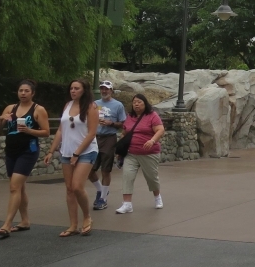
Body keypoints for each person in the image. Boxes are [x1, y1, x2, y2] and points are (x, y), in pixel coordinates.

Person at [0, 80, 50, 238]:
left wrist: (30, 130)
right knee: (20, 187)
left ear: (32, 93)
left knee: (14, 187)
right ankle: (25, 221)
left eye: (26, 91)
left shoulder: (38, 110)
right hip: (11, 151)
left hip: (28, 151)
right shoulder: (10, 108)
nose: (23, 93)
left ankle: (7, 225)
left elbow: (46, 132)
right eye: (20, 91)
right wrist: (0, 119)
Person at [44, 79, 100, 237]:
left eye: (77, 88)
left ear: (84, 90)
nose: (73, 91)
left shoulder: (91, 107)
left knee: (77, 186)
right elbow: (61, 130)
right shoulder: (67, 105)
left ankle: (87, 217)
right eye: (71, 88)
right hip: (66, 152)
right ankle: (73, 225)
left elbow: (91, 133)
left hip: (86, 151)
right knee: (69, 189)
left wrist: (77, 153)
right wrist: (51, 151)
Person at [116, 94, 165, 214]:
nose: (136, 104)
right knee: (127, 176)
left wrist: (152, 140)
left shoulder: (152, 115)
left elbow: (160, 130)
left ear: (145, 103)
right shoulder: (130, 116)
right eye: (134, 102)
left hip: (149, 153)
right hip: (131, 153)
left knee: (151, 177)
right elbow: (125, 133)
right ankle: (127, 204)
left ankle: (157, 197)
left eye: (139, 102)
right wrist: (120, 150)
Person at [89, 81, 126, 211]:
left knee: (105, 169)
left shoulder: (118, 105)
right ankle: (101, 190)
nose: (104, 91)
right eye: (102, 89)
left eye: (107, 89)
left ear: (111, 91)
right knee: (89, 169)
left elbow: (123, 123)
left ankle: (103, 199)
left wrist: (111, 123)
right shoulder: (94, 104)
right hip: (94, 138)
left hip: (109, 138)